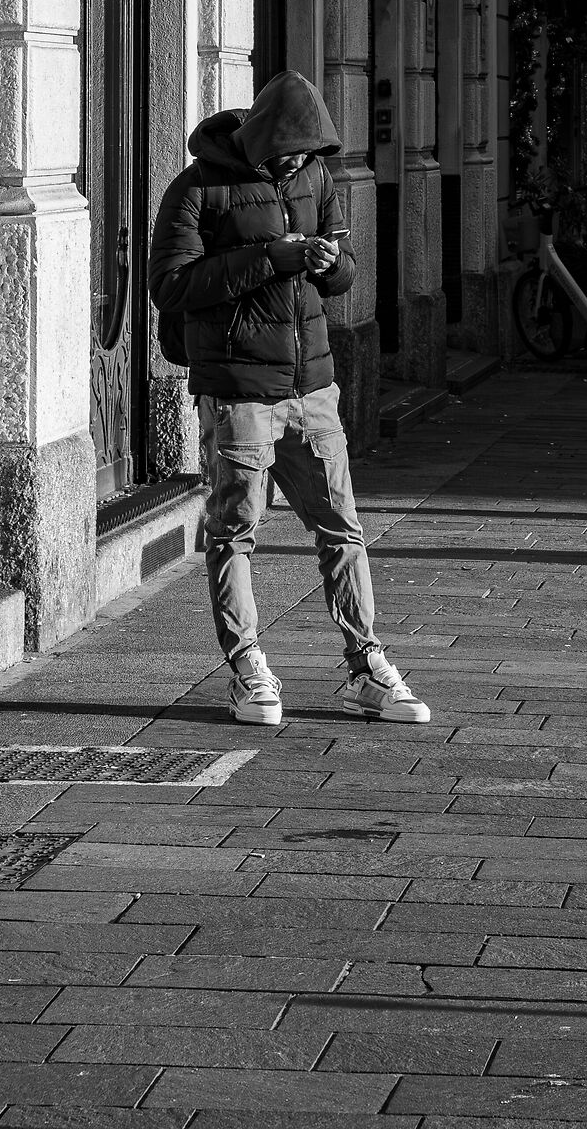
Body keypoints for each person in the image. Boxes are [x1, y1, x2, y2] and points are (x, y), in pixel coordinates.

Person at [148, 69, 429, 729]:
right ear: (267, 138)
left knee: (342, 529)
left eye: (309, 156)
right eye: (292, 153)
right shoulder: (197, 190)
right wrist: (271, 257)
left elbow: (344, 268)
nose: (300, 164)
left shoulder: (316, 179)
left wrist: (334, 267)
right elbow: (171, 287)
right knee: (234, 533)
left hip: (313, 387)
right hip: (239, 390)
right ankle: (248, 669)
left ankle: (366, 668)